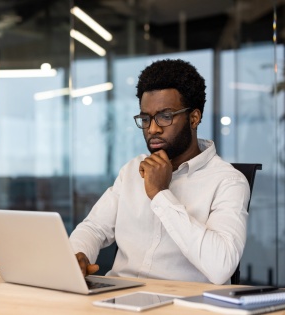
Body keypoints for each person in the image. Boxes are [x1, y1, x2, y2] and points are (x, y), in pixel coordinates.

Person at [69, 59, 250, 285]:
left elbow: (221, 267)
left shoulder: (228, 181)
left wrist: (160, 194)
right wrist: (79, 255)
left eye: (166, 116)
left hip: (183, 304)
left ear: (194, 118)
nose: (152, 129)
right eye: (146, 118)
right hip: (119, 298)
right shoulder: (132, 171)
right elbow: (94, 228)